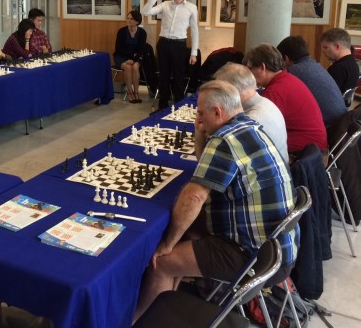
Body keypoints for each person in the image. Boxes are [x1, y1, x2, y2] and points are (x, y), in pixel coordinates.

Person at [133, 81, 297, 320]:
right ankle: (169, 308)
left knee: (163, 262)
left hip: (253, 255)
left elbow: (195, 195)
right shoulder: (251, 127)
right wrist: (201, 132)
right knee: (188, 229)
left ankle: (139, 320)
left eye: (200, 113)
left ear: (218, 112)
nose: (198, 119)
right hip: (277, 248)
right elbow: (204, 169)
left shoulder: (224, 140)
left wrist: (168, 243)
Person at [243, 43, 327, 157]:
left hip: (307, 151)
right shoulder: (286, 78)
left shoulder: (275, 92)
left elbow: (251, 126)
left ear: (262, 68)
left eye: (250, 69)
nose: (249, 74)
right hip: (314, 144)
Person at [141, 0, 199, 111]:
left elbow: (195, 31)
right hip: (163, 43)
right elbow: (145, 12)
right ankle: (162, 107)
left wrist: (194, 53)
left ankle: (179, 107)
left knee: (178, 76)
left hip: (179, 45)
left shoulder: (191, 8)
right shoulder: (165, 4)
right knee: (163, 76)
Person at [213, 62, 289, 164]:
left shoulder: (251, 121)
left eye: (221, 93)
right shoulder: (266, 103)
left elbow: (216, 164)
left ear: (233, 91)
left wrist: (202, 131)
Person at [277, 35, 347, 128]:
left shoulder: (293, 71)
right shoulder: (317, 65)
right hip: (341, 124)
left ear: (285, 59)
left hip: (328, 127)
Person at [113, 10, 147, 103]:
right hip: (121, 56)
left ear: (137, 21)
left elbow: (141, 49)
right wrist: (130, 58)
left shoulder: (142, 32)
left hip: (135, 57)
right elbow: (118, 48)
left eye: (131, 19)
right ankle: (129, 92)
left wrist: (133, 59)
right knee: (128, 67)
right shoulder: (122, 31)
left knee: (135, 67)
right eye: (127, 18)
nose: (128, 20)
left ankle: (136, 92)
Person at [321, 27, 359, 94]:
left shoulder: (338, 69)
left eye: (326, 47)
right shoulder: (353, 63)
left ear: (337, 47)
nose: (323, 51)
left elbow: (326, 95)